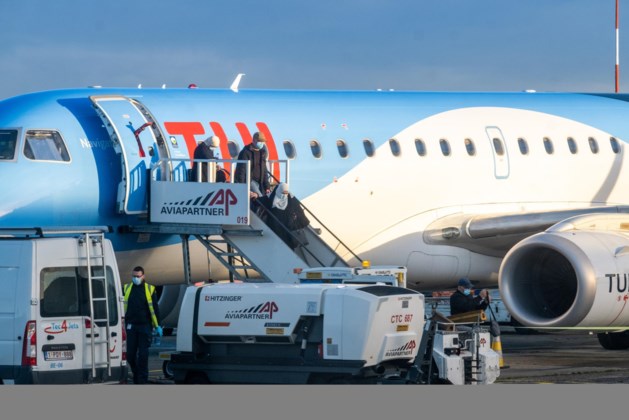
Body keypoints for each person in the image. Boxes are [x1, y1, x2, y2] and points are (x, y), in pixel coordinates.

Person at [123, 266, 162, 384]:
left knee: (143, 356)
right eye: (134, 276)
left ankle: (142, 380)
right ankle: (136, 373)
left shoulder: (150, 289)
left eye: (138, 276)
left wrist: (158, 325)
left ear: (143, 276)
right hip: (131, 326)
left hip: (145, 326)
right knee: (130, 355)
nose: (136, 278)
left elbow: (155, 308)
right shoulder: (126, 288)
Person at [258, 183, 310, 250]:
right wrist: (254, 196)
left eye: (286, 193)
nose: (284, 195)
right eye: (283, 193)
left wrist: (293, 226)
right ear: (279, 191)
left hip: (287, 234)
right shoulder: (271, 198)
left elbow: (302, 218)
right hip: (274, 233)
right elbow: (258, 201)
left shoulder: (292, 199)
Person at [234, 131, 270, 199]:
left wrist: (267, 186)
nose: (262, 143)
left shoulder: (262, 152)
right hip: (249, 180)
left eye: (263, 141)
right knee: (260, 198)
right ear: (254, 140)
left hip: (260, 181)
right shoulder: (245, 152)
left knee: (263, 199)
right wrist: (241, 186)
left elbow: (264, 170)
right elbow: (241, 170)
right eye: (260, 141)